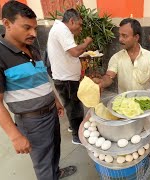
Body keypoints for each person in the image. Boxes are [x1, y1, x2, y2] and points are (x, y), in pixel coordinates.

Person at [0, 2, 76, 179]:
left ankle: (56, 173)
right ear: (7, 24)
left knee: (54, 149)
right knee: (43, 161)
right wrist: (15, 136)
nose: (34, 34)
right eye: (27, 28)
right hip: (32, 122)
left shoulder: (33, 49)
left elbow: (41, 78)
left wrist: (54, 99)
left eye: (35, 28)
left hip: (51, 113)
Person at [93, 18, 150, 161]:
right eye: (120, 35)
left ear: (136, 37)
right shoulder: (116, 58)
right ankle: (131, 153)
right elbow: (109, 77)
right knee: (129, 135)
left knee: (146, 132)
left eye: (125, 36)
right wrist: (101, 83)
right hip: (123, 106)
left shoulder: (149, 57)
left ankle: (149, 149)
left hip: (144, 107)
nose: (120, 39)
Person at [47, 8, 93, 144]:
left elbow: (67, 53)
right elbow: (73, 52)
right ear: (72, 21)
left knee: (71, 105)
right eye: (79, 24)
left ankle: (73, 127)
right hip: (66, 79)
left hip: (65, 77)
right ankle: (77, 136)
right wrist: (86, 42)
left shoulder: (61, 29)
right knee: (75, 107)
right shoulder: (62, 30)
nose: (80, 27)